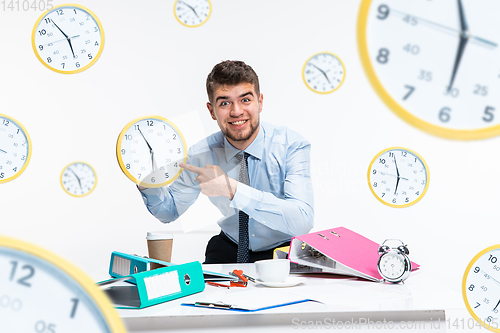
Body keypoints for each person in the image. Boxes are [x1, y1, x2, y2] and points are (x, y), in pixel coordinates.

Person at [138, 60, 314, 264]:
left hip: (283, 251)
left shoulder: (291, 146)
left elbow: (302, 221)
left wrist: (231, 189)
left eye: (245, 100)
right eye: (224, 103)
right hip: (228, 247)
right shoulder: (200, 154)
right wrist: (145, 176)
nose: (236, 111)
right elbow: (168, 212)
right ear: (211, 110)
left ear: (260, 102)